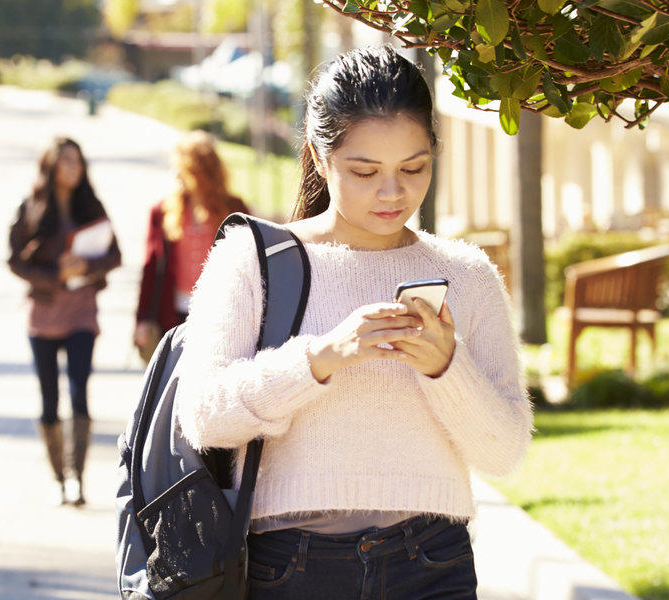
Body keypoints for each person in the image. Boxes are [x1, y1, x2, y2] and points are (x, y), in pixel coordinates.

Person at [173, 46, 533, 599]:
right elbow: (203, 418)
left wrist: (446, 366)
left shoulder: (467, 274)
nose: (393, 193)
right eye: (364, 171)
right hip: (291, 566)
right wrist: (320, 358)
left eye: (414, 168)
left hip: (433, 563)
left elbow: (504, 453)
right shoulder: (254, 260)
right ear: (319, 157)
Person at [8, 137, 122, 507]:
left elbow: (115, 255)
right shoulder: (32, 208)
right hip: (42, 316)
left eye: (79, 161)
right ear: (51, 166)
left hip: (81, 315)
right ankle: (58, 477)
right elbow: (14, 260)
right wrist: (54, 274)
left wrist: (86, 266)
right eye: (66, 161)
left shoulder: (92, 207)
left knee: (79, 393)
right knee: (48, 400)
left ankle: (77, 478)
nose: (74, 167)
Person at [133, 130, 248, 361]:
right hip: (172, 313)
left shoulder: (235, 209)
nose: (175, 173)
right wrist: (142, 319)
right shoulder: (163, 211)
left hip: (221, 311)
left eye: (181, 167)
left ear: (199, 171)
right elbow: (151, 266)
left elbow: (250, 263)